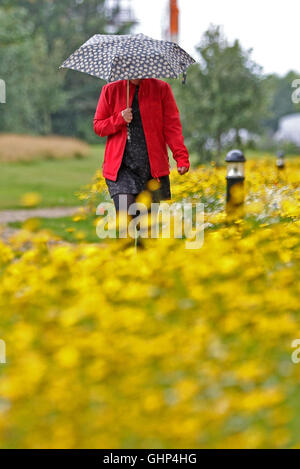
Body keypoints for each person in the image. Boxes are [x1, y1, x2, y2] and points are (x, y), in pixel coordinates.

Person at [93, 78, 190, 215]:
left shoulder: (161, 88)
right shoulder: (110, 89)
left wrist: (181, 157)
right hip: (122, 170)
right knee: (126, 222)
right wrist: (120, 118)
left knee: (147, 229)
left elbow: (172, 127)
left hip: (152, 170)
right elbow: (98, 126)